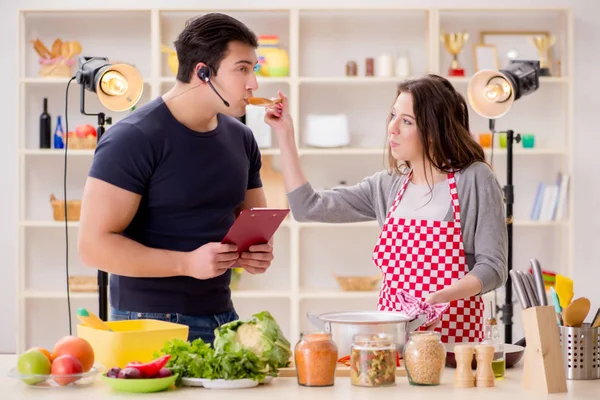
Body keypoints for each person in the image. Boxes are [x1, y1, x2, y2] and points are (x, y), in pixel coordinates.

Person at [264, 75, 508, 343]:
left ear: (433, 130)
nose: (392, 128)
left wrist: (441, 297)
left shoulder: (475, 179)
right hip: (393, 344)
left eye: (406, 121)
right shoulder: (386, 186)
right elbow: (306, 207)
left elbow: (493, 268)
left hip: (454, 346)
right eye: (393, 115)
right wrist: (285, 134)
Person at [78, 13, 274, 344]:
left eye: (253, 69)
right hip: (148, 322)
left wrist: (256, 253)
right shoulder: (134, 137)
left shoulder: (242, 137)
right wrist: (186, 263)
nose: (253, 83)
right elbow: (93, 247)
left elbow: (252, 225)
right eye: (242, 69)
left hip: (222, 316)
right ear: (203, 72)